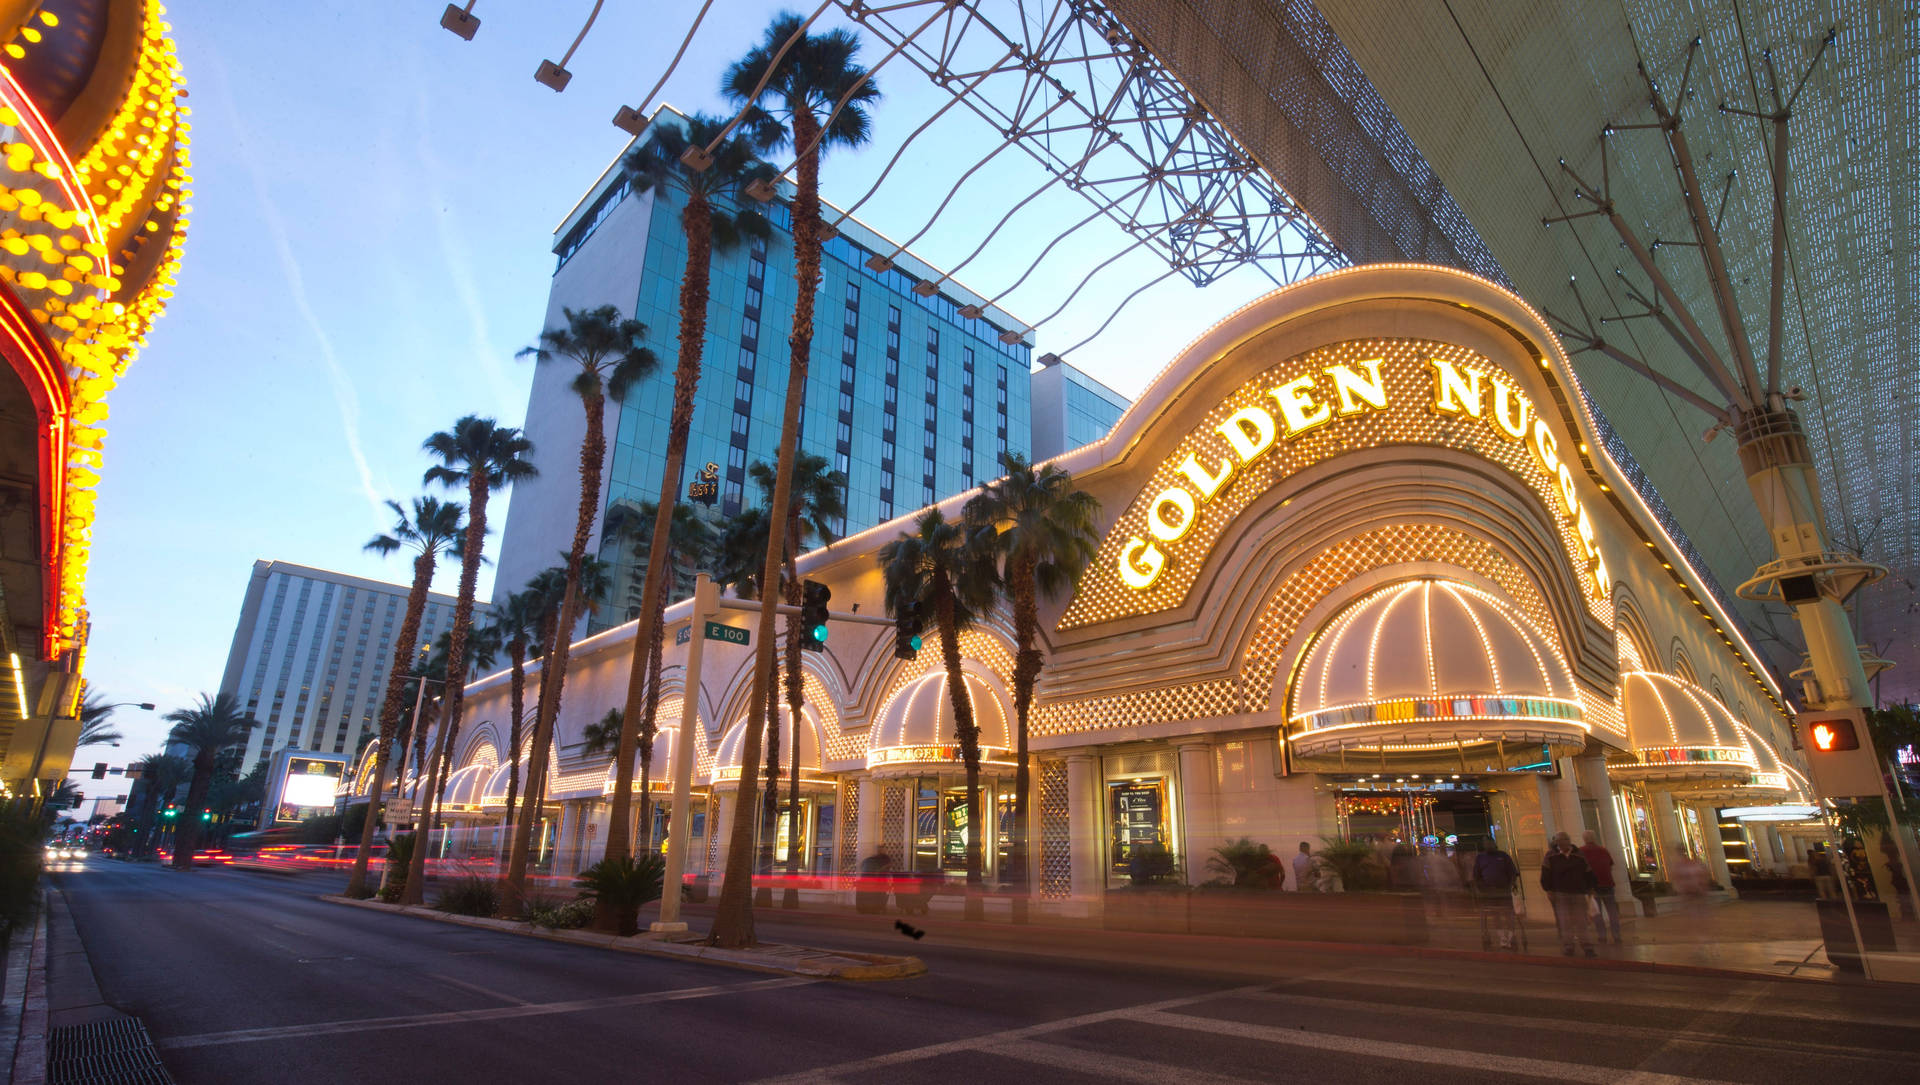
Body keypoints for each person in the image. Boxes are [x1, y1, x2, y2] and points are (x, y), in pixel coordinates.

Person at [1541, 831, 1597, 957]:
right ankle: (1568, 946)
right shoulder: (1551, 856)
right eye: (1558, 841)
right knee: (1565, 921)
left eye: (1564, 840)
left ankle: (1587, 946)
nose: (1561, 843)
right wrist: (1548, 889)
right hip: (1560, 892)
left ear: (1568, 840)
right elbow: (1546, 873)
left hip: (1578, 891)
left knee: (1581, 921)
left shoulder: (1578, 855)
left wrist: (1590, 887)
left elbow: (1588, 871)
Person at [1471, 836, 1519, 949]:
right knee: (1495, 914)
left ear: (1494, 843)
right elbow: (1476, 875)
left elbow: (1512, 872)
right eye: (1486, 843)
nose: (1488, 845)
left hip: (1504, 890)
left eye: (1489, 843)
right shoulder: (1480, 858)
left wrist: (1512, 883)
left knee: (1508, 914)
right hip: (1488, 892)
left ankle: (1511, 936)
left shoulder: (1503, 856)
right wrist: (1480, 888)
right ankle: (1502, 937)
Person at [1579, 830, 1622, 945]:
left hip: (1593, 887)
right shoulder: (1603, 850)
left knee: (1597, 912)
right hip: (1607, 884)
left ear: (1584, 839)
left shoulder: (1581, 852)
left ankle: (1602, 936)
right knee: (1612, 911)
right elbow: (1610, 865)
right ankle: (1616, 935)